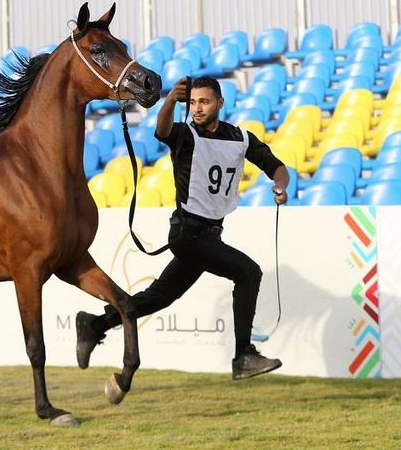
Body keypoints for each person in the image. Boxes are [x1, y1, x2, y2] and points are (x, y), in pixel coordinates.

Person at [76, 76, 290, 380]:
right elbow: (161, 130)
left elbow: (276, 167)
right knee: (248, 272)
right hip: (187, 235)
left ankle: (94, 325)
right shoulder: (185, 135)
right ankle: (243, 355)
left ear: (219, 103)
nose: (197, 108)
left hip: (209, 236)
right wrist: (170, 101)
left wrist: (280, 187)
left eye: (203, 101)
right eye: (192, 103)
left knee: (157, 298)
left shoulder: (241, 137)